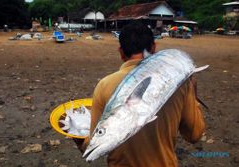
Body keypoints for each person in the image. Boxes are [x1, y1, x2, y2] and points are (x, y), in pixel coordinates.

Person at [74, 21, 205, 167]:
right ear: (153, 48)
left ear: (121, 52)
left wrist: (78, 139)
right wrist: (193, 91)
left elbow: (92, 143)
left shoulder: (104, 85)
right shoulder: (180, 83)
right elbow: (194, 135)